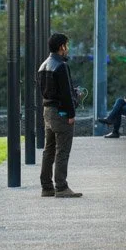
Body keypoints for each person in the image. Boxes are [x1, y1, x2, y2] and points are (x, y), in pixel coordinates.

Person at [38, 33, 82, 198]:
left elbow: (46, 91)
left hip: (47, 112)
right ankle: (61, 187)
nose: (67, 48)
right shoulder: (61, 66)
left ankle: (46, 187)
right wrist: (71, 114)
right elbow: (66, 94)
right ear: (62, 46)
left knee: (48, 150)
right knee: (62, 151)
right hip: (61, 113)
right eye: (66, 45)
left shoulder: (43, 65)